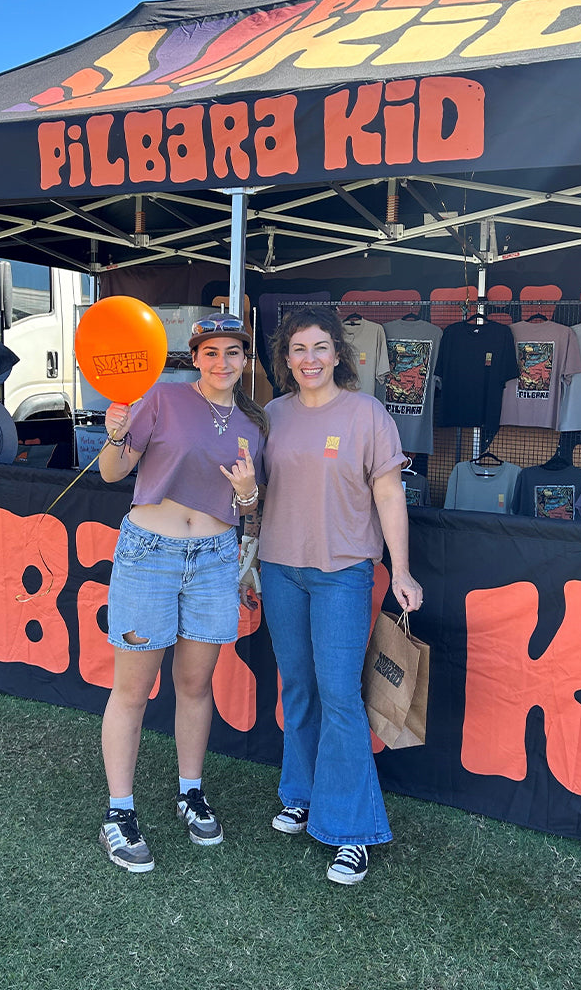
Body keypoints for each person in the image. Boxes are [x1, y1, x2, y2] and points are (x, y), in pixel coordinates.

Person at [96, 314, 267, 873]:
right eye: (211, 352)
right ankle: (119, 812)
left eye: (233, 352)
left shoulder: (253, 423)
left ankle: (190, 792)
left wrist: (248, 494)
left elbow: (249, 508)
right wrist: (116, 433)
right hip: (151, 553)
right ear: (195, 358)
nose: (222, 362)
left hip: (215, 559)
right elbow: (112, 472)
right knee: (132, 690)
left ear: (245, 360)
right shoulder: (163, 399)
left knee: (195, 685)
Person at [258, 305, 423, 885]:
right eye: (298, 349)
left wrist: (401, 571)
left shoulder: (367, 414)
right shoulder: (271, 416)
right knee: (298, 688)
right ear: (285, 358)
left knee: (340, 697)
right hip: (279, 569)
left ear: (338, 354)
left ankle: (351, 829)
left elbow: (390, 495)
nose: (310, 359)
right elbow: (255, 494)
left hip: (343, 573)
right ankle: (300, 794)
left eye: (320, 347)